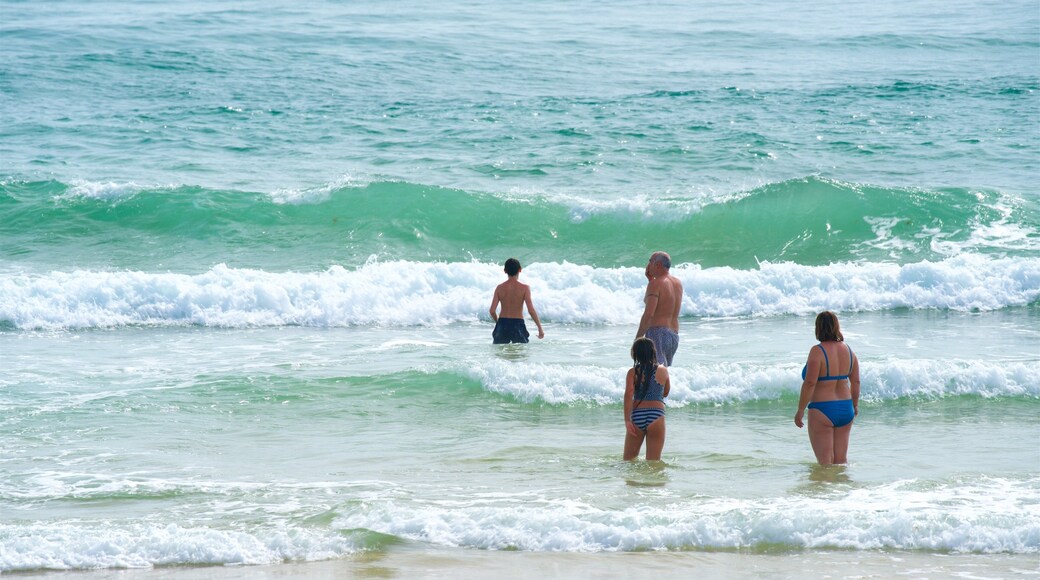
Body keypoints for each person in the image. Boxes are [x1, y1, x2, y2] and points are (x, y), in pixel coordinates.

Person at [794, 311, 861, 465]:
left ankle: (826, 489)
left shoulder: (817, 351)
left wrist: (800, 410)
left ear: (818, 328)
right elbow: (856, 382)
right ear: (836, 326)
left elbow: (810, 382)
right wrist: (855, 405)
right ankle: (841, 489)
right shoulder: (849, 351)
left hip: (822, 409)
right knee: (841, 462)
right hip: (846, 408)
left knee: (825, 463)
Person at [624, 336, 671, 461]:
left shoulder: (633, 372)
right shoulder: (663, 371)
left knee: (628, 461)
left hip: (637, 415)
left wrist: (627, 420)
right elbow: (665, 392)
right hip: (656, 415)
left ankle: (631, 481)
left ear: (635, 354)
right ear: (653, 352)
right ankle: (652, 481)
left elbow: (629, 394)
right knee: (653, 462)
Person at [636, 251, 683, 366]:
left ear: (657, 265)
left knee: (655, 375)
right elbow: (665, 303)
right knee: (664, 374)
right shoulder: (677, 283)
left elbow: (649, 314)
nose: (647, 265)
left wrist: (638, 339)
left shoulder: (655, 284)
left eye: (650, 261)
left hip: (658, 334)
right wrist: (651, 280)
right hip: (673, 336)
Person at [489, 258, 545, 344]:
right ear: (520, 269)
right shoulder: (524, 288)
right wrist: (540, 328)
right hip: (517, 324)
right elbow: (531, 310)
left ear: (505, 271)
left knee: (500, 355)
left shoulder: (499, 288)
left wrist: (498, 322)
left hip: (502, 323)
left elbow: (492, 311)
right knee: (520, 354)